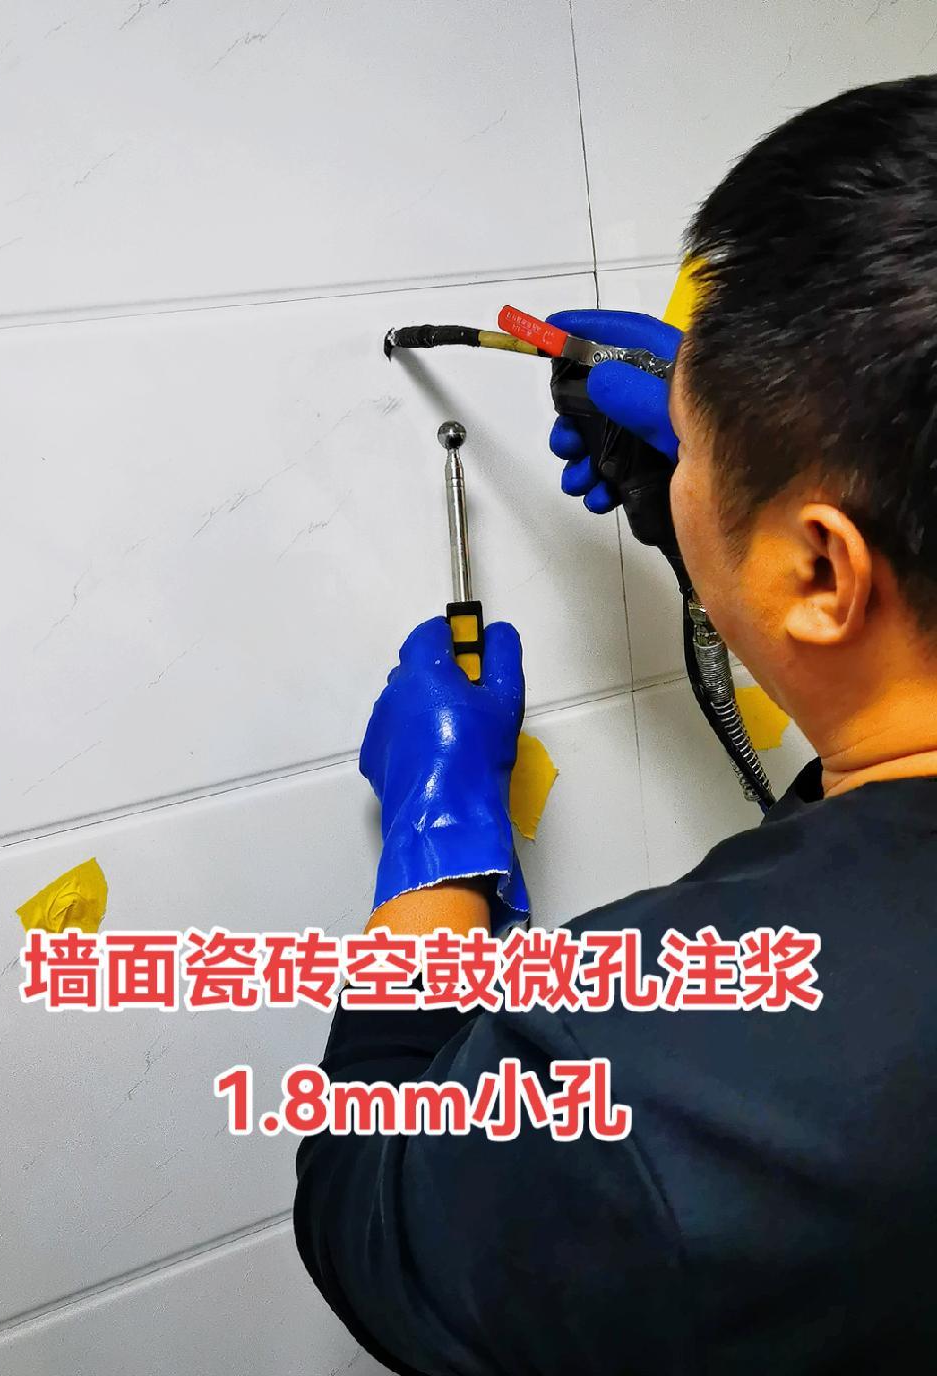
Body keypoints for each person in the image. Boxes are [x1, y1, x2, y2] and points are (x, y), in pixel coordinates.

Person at [294, 76, 937, 1374]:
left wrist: (436, 837)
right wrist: (725, 522)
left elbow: (379, 1202)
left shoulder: (683, 1070)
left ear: (826, 568)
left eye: (693, 445)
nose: (684, 471)